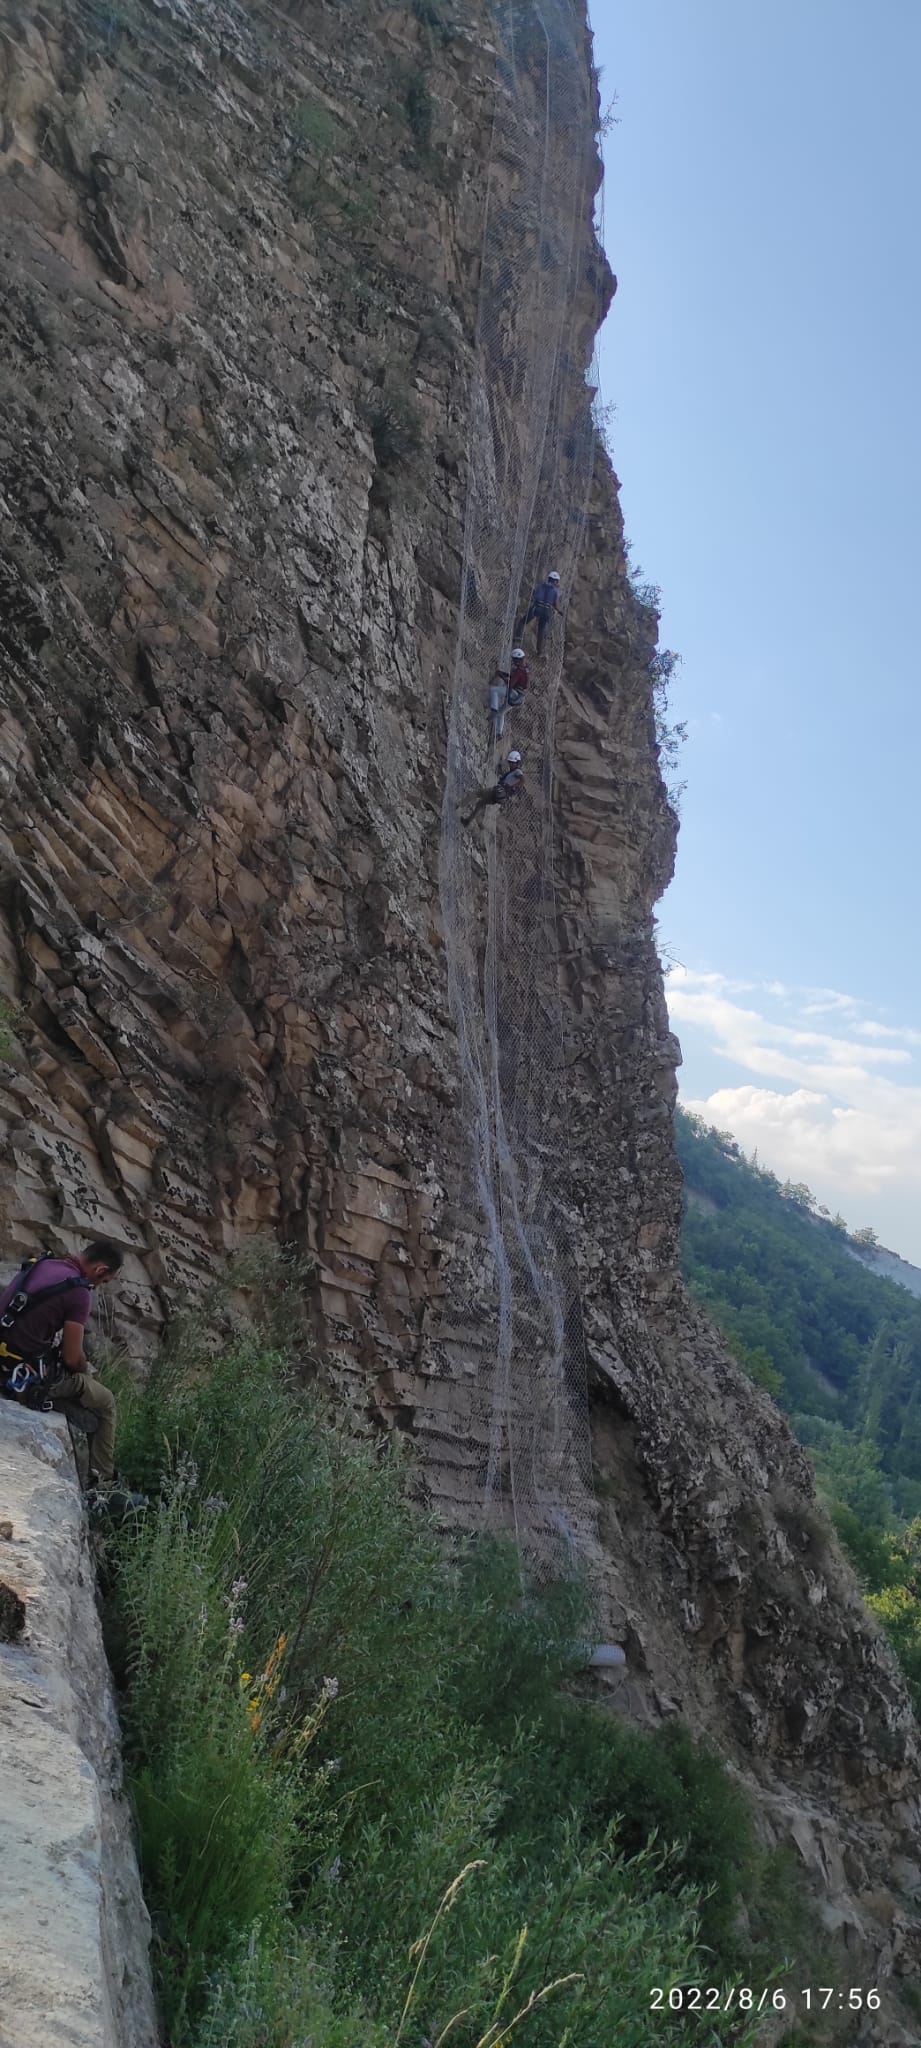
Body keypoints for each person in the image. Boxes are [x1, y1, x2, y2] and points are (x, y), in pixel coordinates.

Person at [0, 1240, 126, 1491]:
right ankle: (102, 1488)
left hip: (5, 1355)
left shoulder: (42, 1263)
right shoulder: (79, 1292)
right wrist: (84, 1369)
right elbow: (72, 1357)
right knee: (106, 1402)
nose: (98, 1286)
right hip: (21, 1374)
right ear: (100, 1270)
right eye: (103, 1281)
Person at [461, 750, 525, 827]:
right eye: (510, 762)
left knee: (477, 793)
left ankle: (459, 805)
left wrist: (512, 786)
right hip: (500, 796)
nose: (511, 764)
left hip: (498, 792)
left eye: (513, 762)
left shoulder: (517, 771)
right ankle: (471, 822)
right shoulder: (511, 773)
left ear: (517, 762)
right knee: (481, 803)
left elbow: (522, 780)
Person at [517, 571, 562, 655]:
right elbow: (555, 604)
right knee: (541, 629)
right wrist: (559, 611)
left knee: (522, 622)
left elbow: (535, 595)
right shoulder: (556, 591)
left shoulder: (540, 586)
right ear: (556, 581)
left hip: (537, 607)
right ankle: (539, 651)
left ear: (549, 578)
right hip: (546, 610)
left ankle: (517, 639)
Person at [488, 648, 530, 737]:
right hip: (519, 696)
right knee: (501, 712)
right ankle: (499, 733)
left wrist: (501, 676)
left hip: (514, 693)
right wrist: (502, 674)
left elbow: (511, 683)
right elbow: (513, 678)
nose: (513, 661)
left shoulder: (519, 670)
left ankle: (493, 710)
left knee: (494, 690)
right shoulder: (525, 668)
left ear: (517, 659)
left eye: (514, 659)